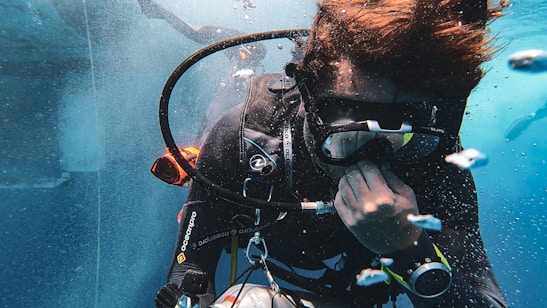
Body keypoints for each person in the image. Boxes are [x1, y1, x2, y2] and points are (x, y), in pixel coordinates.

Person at [155, 0, 508, 307]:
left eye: (401, 134)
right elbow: (187, 272)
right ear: (308, 101)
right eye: (348, 130)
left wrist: (409, 249)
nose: (373, 160)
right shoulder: (246, 136)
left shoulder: (435, 164)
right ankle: (239, 64)